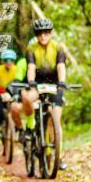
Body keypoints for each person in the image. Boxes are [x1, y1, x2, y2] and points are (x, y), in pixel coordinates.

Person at [20, 17, 68, 169]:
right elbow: (31, 67)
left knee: (54, 122)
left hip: (55, 83)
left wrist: (62, 82)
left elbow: (61, 66)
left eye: (46, 33)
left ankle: (58, 157)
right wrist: (31, 82)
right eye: (40, 33)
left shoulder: (58, 47)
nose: (43, 36)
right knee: (27, 98)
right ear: (36, 34)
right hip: (38, 82)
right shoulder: (31, 49)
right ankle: (29, 127)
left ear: (51, 33)